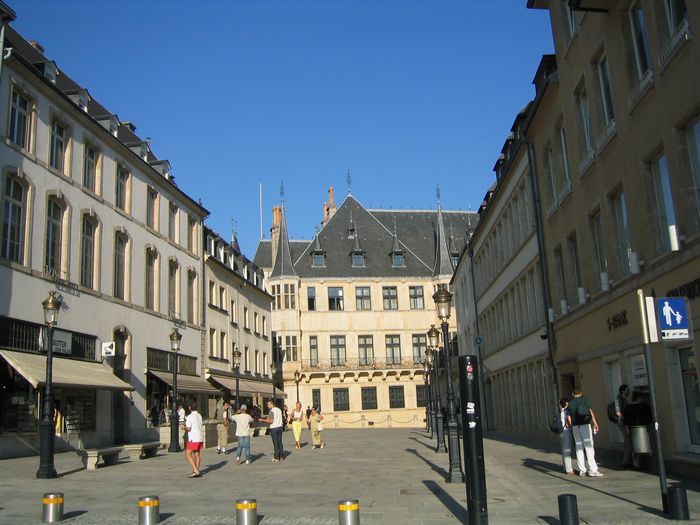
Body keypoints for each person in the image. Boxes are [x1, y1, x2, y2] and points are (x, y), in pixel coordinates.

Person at [567, 388, 603, 477]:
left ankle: (582, 470)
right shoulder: (585, 400)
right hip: (585, 425)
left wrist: (571, 426)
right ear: (581, 393)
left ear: (573, 394)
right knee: (589, 447)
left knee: (579, 448)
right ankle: (593, 470)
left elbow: (569, 417)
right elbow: (590, 412)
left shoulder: (570, 403)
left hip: (575, 427)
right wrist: (595, 423)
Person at [623, 391, 653, 469]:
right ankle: (644, 463)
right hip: (644, 428)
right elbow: (650, 417)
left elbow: (626, 420)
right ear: (640, 398)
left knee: (634, 447)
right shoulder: (644, 407)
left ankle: (636, 464)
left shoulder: (628, 407)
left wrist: (627, 428)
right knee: (645, 444)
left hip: (632, 429)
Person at [183, 402, 203, 478]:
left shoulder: (190, 416)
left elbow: (188, 428)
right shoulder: (199, 415)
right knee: (197, 454)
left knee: (188, 454)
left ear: (189, 408)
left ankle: (195, 470)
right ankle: (195, 471)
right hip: (200, 437)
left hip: (193, 438)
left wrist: (183, 427)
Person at [615, 384, 632, 467]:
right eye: (627, 390)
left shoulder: (624, 399)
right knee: (628, 442)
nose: (628, 391)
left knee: (627, 442)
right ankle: (626, 462)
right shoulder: (619, 399)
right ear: (623, 391)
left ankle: (627, 460)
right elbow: (618, 412)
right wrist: (624, 419)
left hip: (625, 422)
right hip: (623, 423)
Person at [558, 398, 574, 475]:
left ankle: (565, 467)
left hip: (561, 432)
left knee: (564, 450)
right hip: (566, 431)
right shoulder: (566, 411)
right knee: (567, 450)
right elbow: (569, 421)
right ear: (566, 403)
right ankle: (569, 470)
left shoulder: (560, 411)